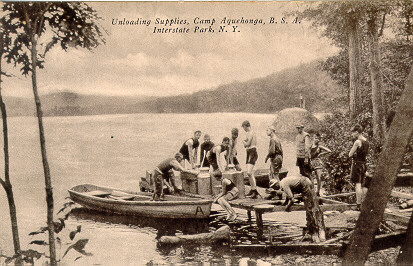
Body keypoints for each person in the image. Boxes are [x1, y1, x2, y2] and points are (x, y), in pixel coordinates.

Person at [272, 175, 325, 242]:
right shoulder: (283, 182)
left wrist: (287, 208)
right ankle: (312, 229)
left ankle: (316, 231)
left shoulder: (283, 185)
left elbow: (292, 199)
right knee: (308, 201)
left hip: (305, 183)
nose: (274, 189)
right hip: (305, 181)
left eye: (274, 187)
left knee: (309, 205)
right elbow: (288, 196)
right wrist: (284, 204)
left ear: (276, 184)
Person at [349, 124, 369, 209]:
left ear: (357, 132)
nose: (352, 135)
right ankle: (364, 203)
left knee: (358, 184)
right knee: (363, 185)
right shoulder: (366, 141)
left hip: (357, 164)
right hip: (364, 164)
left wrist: (353, 156)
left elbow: (350, 154)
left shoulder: (357, 142)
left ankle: (358, 204)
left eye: (353, 133)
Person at [242, 120, 259, 199]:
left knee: (249, 172)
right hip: (248, 152)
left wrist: (243, 142)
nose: (244, 129)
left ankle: (255, 190)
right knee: (250, 173)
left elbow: (247, 144)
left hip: (252, 152)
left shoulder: (252, 132)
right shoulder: (248, 133)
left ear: (246, 126)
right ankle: (253, 189)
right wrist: (245, 142)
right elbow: (247, 143)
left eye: (244, 127)